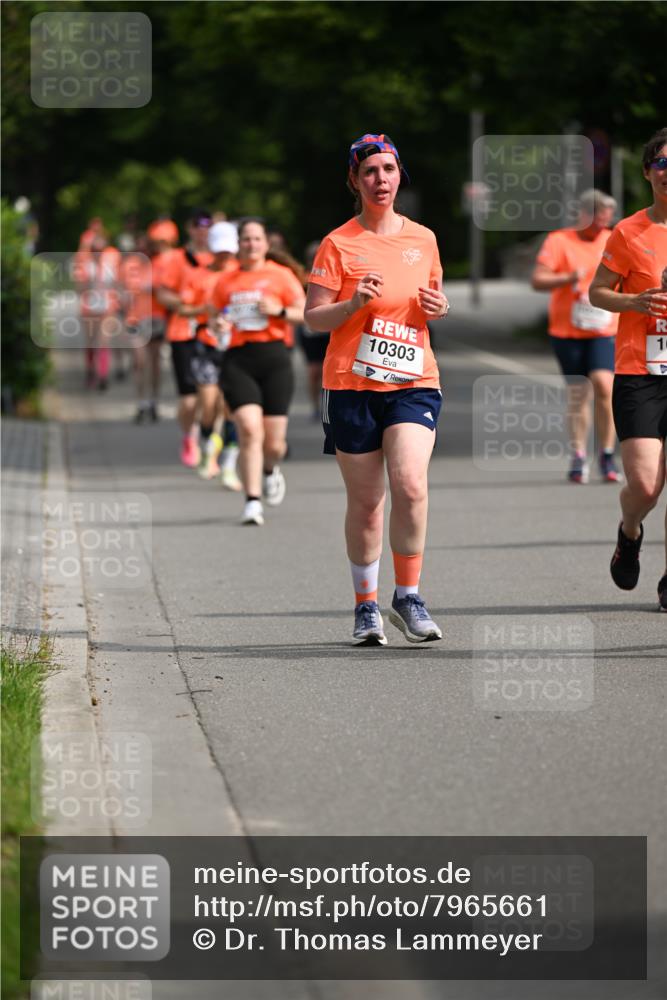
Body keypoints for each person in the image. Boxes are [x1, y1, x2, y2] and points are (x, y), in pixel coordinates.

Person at [304, 133, 449, 645]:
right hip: (350, 383)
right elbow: (314, 317)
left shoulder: (423, 239)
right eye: (369, 172)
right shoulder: (338, 243)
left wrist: (440, 308)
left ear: (398, 175)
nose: (380, 180)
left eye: (388, 170)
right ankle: (366, 607)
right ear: (355, 180)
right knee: (367, 503)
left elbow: (432, 297)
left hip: (413, 380)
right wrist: (352, 305)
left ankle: (408, 596)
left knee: (410, 483)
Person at [589, 127, 667, 611]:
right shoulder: (629, 231)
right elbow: (597, 292)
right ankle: (630, 531)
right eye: (662, 164)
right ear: (648, 172)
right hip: (641, 370)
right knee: (645, 485)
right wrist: (634, 300)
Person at [210, 218, 305, 525]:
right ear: (239, 244)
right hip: (238, 359)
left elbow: (306, 313)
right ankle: (252, 502)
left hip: (275, 358)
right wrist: (219, 325)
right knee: (250, 430)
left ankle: (269, 470)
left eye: (256, 239)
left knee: (274, 443)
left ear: (266, 244)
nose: (251, 244)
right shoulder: (226, 281)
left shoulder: (281, 275)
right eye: (246, 239)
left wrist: (278, 311)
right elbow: (213, 317)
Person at [531, 189, 621, 483]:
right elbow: (538, 280)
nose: (601, 229)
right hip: (566, 331)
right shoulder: (559, 240)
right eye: (597, 223)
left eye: (606, 222)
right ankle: (579, 455)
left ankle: (607, 454)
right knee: (579, 393)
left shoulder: (613, 239)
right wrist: (568, 278)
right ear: (584, 215)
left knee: (604, 386)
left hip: (603, 328)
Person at [175, 220, 241, 485]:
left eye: (229, 250)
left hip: (236, 345)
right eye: (220, 250)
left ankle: (228, 462)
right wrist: (207, 309)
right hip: (206, 344)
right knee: (209, 405)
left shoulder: (240, 273)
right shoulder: (197, 275)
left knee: (231, 407)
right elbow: (182, 309)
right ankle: (206, 448)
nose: (225, 255)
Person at [155, 210, 214, 466]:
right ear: (190, 229)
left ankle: (211, 436)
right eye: (198, 226)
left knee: (213, 394)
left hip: (214, 333)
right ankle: (189, 435)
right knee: (189, 398)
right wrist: (187, 302)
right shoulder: (177, 259)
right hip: (183, 332)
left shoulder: (221, 257)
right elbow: (163, 294)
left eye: (208, 226)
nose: (203, 230)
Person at [73, 229, 121, 391]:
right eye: (94, 250)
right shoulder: (85, 265)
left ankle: (103, 375)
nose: (97, 253)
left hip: (106, 307)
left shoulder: (111, 263)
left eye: (100, 250)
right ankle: (90, 371)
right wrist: (87, 280)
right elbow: (79, 288)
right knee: (91, 342)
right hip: (89, 307)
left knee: (104, 341)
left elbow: (117, 285)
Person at [298, 240, 331, 420]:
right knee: (313, 372)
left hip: (329, 331)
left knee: (327, 371)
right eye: (312, 257)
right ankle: (314, 407)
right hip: (309, 332)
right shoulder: (303, 277)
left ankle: (327, 406)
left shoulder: (331, 273)